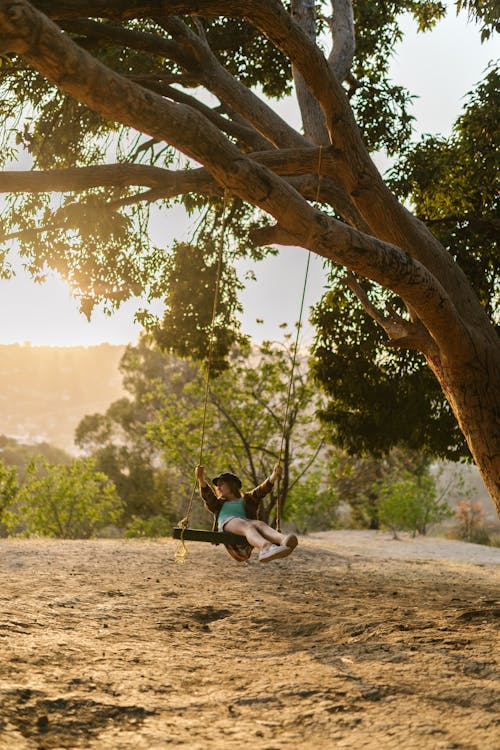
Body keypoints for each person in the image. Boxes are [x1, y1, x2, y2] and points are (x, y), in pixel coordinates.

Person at [195, 463, 298, 563]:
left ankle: (284, 540)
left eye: (221, 484)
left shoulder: (247, 499)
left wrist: (275, 475)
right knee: (246, 525)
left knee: (259, 524)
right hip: (228, 524)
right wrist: (200, 478)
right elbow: (207, 495)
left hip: (246, 529)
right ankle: (265, 547)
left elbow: (262, 490)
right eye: (217, 486)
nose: (218, 488)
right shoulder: (218, 503)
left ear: (232, 485)